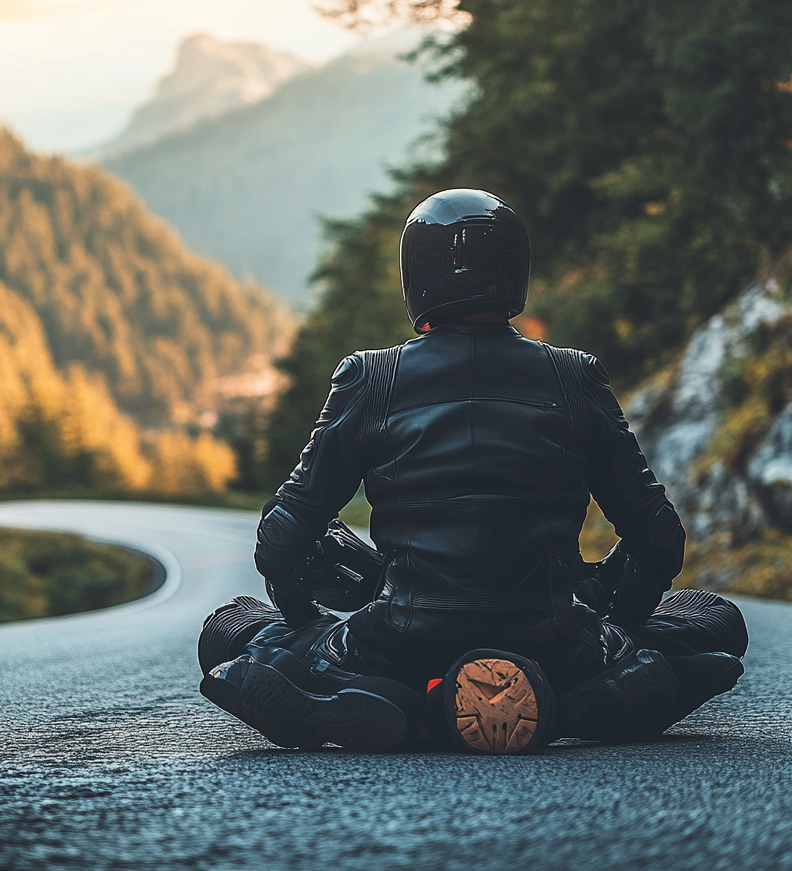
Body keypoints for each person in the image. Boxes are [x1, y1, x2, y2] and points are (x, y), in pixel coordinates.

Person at [198, 189, 747, 754]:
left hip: (399, 640)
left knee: (233, 632)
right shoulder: (574, 376)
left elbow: (284, 536)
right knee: (715, 619)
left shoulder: (371, 378)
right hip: (555, 636)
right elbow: (657, 537)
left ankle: (406, 708)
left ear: (417, 276)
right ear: (516, 270)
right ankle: (568, 703)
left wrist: (299, 614)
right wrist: (618, 616)